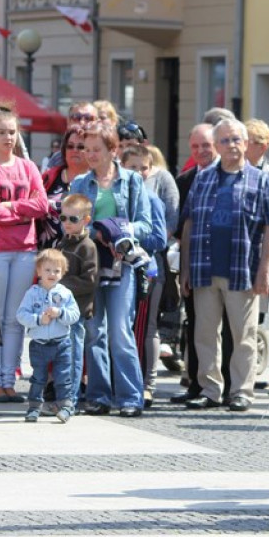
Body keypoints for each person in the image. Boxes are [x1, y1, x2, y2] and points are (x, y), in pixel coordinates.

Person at [180, 119, 269, 412]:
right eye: (224, 141)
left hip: (243, 269)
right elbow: (188, 223)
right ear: (217, 146)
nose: (231, 145)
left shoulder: (261, 179)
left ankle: (242, 391)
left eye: (236, 139)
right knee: (205, 333)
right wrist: (185, 269)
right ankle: (210, 389)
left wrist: (264, 271)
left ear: (246, 142)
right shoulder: (202, 178)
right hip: (204, 266)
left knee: (244, 336)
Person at [70, 123, 152, 417]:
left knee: (119, 331)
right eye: (86, 149)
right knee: (94, 332)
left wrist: (122, 232)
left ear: (113, 150)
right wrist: (97, 232)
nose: (89, 155)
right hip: (91, 262)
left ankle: (131, 396)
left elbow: (146, 223)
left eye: (96, 150)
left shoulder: (131, 181)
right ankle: (99, 395)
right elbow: (72, 224)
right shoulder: (80, 183)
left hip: (122, 263)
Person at [0, 111, 48, 403]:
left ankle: (10, 379)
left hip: (25, 249)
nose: (8, 138)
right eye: (2, 132)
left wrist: (11, 206)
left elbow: (42, 205)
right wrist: (23, 207)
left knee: (16, 319)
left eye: (12, 132)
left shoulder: (28, 166)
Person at [170, 123, 221, 405]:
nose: (201, 151)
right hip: (195, 264)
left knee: (221, 330)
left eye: (206, 145)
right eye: (196, 146)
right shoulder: (185, 179)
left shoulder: (227, 175)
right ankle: (195, 383)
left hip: (225, 265)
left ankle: (221, 386)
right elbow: (181, 227)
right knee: (194, 325)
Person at [122, 144, 170, 406]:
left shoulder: (152, 199)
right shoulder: (119, 195)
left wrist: (129, 233)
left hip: (149, 271)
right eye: (133, 167)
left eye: (144, 168)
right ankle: (125, 380)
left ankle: (148, 383)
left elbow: (160, 238)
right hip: (122, 269)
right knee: (124, 328)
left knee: (147, 327)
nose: (139, 172)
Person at [16, 248, 81, 423]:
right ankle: (34, 407)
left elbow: (75, 315)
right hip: (39, 344)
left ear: (62, 273)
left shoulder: (65, 293)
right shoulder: (32, 293)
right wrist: (38, 319)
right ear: (38, 271)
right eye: (47, 270)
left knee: (63, 377)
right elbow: (21, 315)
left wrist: (60, 313)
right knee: (38, 377)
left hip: (62, 344)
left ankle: (66, 406)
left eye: (56, 271)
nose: (52, 274)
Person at [53, 194, 99, 409]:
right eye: (63, 218)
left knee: (73, 357)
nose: (67, 223)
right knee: (62, 357)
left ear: (85, 220)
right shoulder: (62, 243)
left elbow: (89, 282)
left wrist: (60, 284)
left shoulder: (87, 246)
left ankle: (69, 400)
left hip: (77, 312)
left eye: (73, 219)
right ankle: (62, 397)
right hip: (60, 312)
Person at [38, 127, 88, 249]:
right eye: (70, 146)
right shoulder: (48, 177)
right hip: (47, 254)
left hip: (79, 253)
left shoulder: (94, 181)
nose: (75, 150)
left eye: (80, 147)